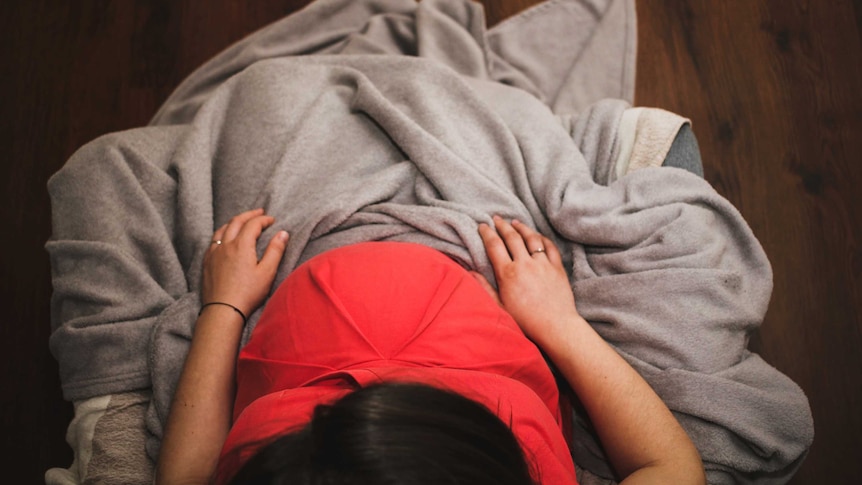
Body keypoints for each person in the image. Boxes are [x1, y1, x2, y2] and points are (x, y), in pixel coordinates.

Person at [155, 208, 706, 485]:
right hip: (475, 324)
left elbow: (185, 478)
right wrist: (559, 323)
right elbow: (671, 467)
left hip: (304, 321)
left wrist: (223, 307)